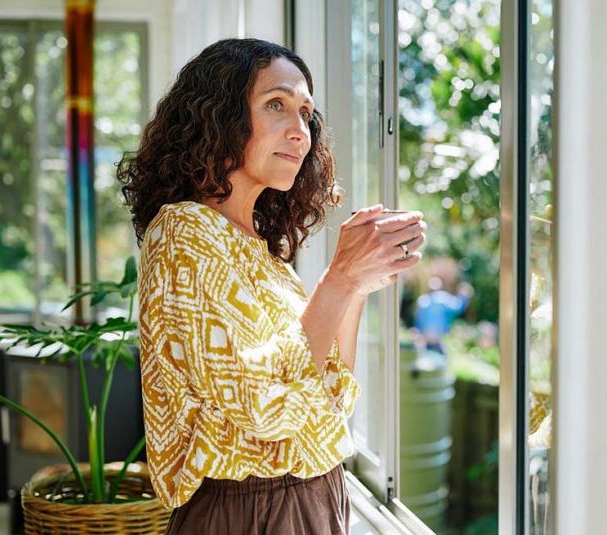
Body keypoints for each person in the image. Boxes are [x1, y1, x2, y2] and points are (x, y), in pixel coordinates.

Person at [118, 38, 426, 534]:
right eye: (276, 105)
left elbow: (332, 394)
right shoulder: (183, 233)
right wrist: (338, 279)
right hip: (248, 511)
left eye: (306, 113)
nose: (299, 131)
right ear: (218, 115)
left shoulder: (264, 254)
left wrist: (357, 286)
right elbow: (263, 409)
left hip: (315, 497)